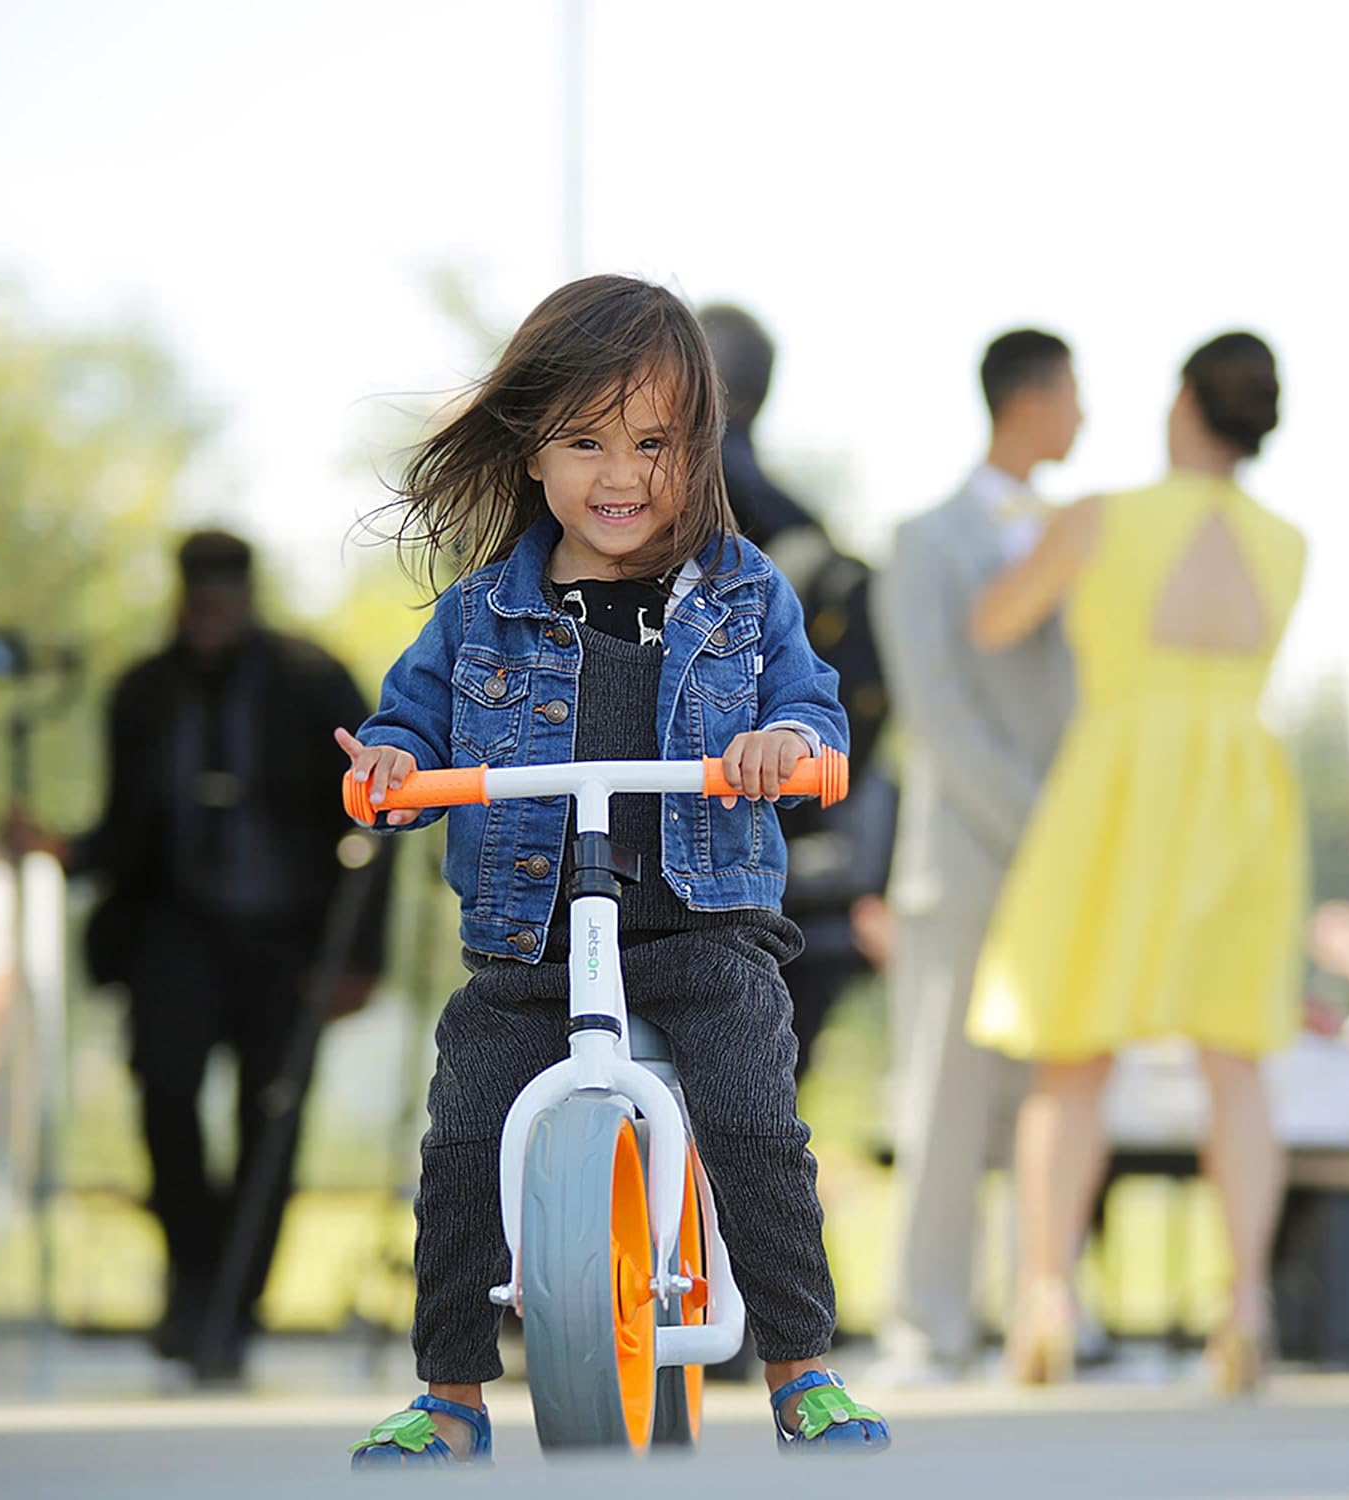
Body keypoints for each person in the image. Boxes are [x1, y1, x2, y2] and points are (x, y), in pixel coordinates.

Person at [339, 274, 889, 1465]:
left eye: (653, 443)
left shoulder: (747, 596)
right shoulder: (481, 613)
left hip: (702, 929)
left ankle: (801, 1368)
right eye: (585, 443)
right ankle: (449, 1393)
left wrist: (785, 748)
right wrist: (387, 762)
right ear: (531, 452)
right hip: (533, 942)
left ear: (704, 451)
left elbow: (814, 715)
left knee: (755, 1117)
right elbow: (412, 721)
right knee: (462, 1136)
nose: (620, 475)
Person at [967, 333, 1306, 1393]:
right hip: (1243, 788)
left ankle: (1046, 1294)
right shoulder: (1287, 539)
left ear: (1184, 406)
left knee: (1073, 1052)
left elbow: (993, 623)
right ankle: (1245, 1300)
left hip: (1118, 785)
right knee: (1236, 1060)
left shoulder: (1104, 517)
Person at [5, 530, 393, 1380]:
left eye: (223, 599)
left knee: (272, 1114)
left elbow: (377, 819)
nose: (208, 615)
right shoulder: (143, 693)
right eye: (196, 599)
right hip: (174, 933)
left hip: (286, 939)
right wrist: (64, 850)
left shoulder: (310, 681)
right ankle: (194, 1278)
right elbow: (125, 830)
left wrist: (359, 957)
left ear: (247, 597)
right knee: (167, 1098)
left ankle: (230, 1310)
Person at [871, 330, 1081, 1380]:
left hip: (1071, 868)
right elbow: (937, 716)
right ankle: (926, 1327)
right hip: (963, 861)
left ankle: (1049, 1323)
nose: (1084, 416)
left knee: (1061, 1096)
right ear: (1031, 400)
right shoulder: (922, 541)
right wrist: (1047, 821)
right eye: (1075, 394)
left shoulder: (1082, 540)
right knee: (943, 1100)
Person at [697, 303, 896, 1083]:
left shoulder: (614, 517)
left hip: (639, 878)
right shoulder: (806, 538)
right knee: (751, 1130)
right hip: (796, 887)